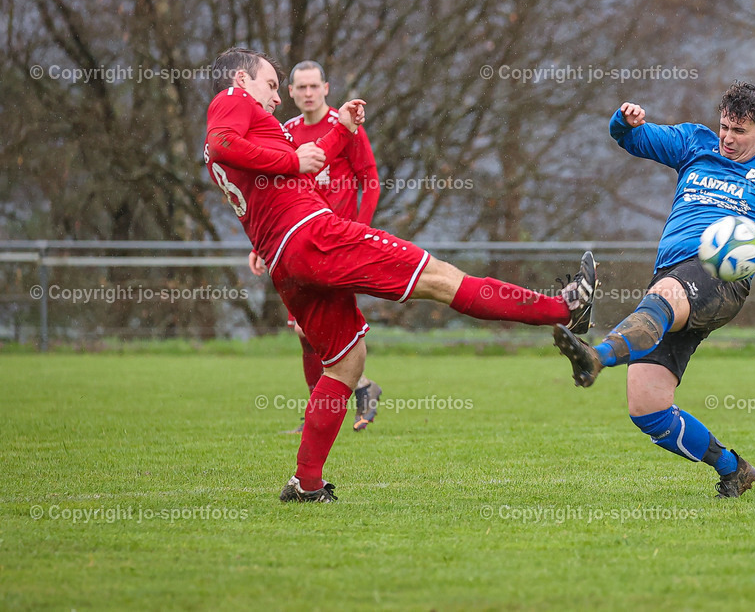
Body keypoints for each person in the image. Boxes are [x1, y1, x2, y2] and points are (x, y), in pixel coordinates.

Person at [205, 47, 596, 503]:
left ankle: (306, 483)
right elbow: (226, 143)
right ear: (239, 79)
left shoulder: (258, 127)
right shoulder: (232, 100)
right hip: (315, 236)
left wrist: (341, 130)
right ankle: (566, 307)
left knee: (346, 364)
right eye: (272, 85)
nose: (277, 98)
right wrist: (296, 162)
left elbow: (301, 167)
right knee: (442, 278)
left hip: (286, 261)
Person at [553, 82, 755, 499]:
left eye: (740, 132)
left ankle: (594, 357)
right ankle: (734, 469)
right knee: (648, 410)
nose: (727, 137)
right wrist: (626, 120)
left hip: (721, 280)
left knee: (666, 296)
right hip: (671, 280)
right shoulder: (694, 142)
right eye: (724, 125)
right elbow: (632, 139)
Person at [255, 59, 383, 434]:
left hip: (337, 242)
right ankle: (355, 391)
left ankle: (340, 399)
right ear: (290, 93)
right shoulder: (287, 131)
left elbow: (369, 178)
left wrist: (359, 229)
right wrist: (263, 242)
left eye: (315, 86)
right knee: (307, 329)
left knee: (312, 327)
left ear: (326, 88)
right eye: (301, 88)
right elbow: (277, 191)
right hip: (298, 243)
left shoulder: (343, 126)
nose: (308, 93)